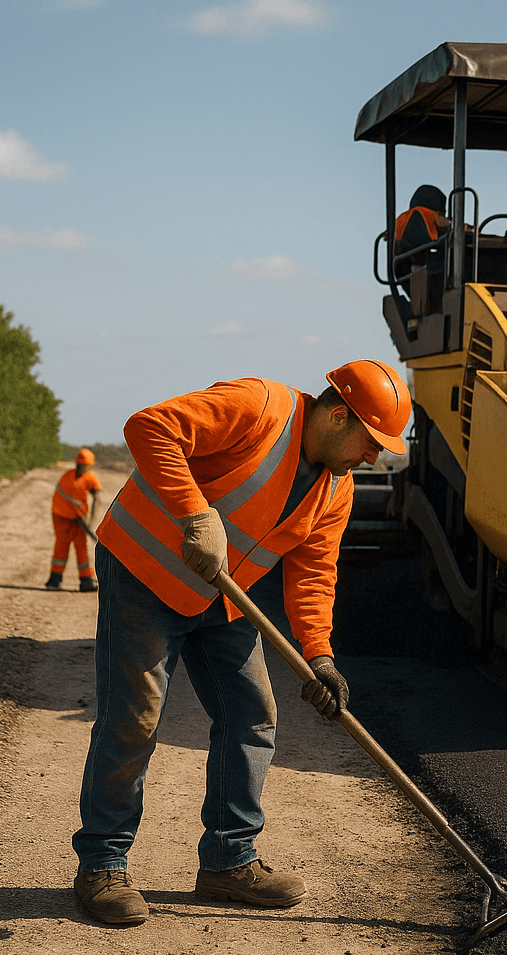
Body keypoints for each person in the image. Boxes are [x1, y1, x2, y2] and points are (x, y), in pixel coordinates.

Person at [72, 360, 412, 926]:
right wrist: (194, 515)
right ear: (336, 416)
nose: (373, 456)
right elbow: (148, 427)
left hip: (221, 596)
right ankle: (103, 865)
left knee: (253, 713)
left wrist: (319, 656)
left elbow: (313, 575)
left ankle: (229, 862)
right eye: (370, 441)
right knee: (135, 717)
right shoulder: (259, 405)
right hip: (144, 574)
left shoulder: (336, 488)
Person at [49, 448, 104, 592]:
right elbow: (65, 501)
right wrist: (86, 522)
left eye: (84, 465)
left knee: (80, 548)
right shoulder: (67, 477)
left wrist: (90, 523)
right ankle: (56, 579)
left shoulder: (89, 478)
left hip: (76, 520)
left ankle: (84, 581)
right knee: (63, 545)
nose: (82, 468)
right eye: (80, 465)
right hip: (62, 517)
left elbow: (97, 500)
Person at [393, 184, 449, 296]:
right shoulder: (419, 215)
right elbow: (420, 247)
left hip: (410, 272)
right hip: (419, 271)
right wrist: (452, 231)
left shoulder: (406, 218)